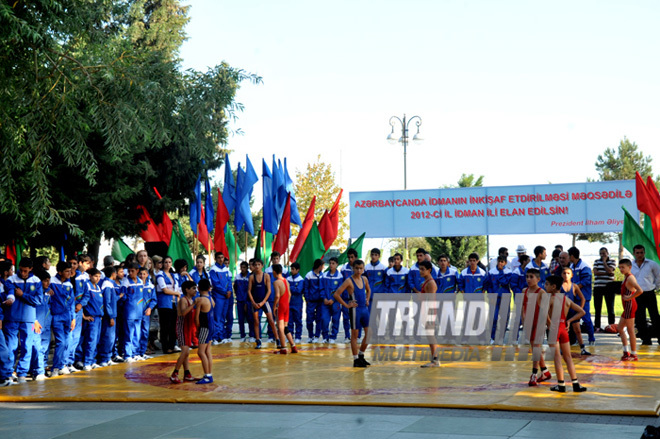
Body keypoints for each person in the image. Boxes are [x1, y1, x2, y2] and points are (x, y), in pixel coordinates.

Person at [544, 275, 587, 392]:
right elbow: (582, 312)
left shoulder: (550, 299)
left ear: (553, 287)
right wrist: (569, 320)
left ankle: (561, 385)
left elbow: (544, 314)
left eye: (546, 284)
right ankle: (575, 384)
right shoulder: (566, 300)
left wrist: (550, 324)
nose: (544, 286)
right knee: (568, 357)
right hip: (563, 328)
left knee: (557, 358)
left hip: (554, 330)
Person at [3, 257, 42, 383]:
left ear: (31, 269)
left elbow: (38, 300)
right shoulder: (11, 280)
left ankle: (22, 374)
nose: (23, 273)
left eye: (26, 271)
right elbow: (8, 293)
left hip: (29, 319)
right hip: (12, 318)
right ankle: (8, 373)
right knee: (11, 346)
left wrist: (23, 295)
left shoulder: (36, 281)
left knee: (27, 346)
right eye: (21, 270)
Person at [333, 259, 371, 367]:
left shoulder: (364, 279)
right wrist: (346, 305)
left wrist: (367, 299)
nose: (359, 271)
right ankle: (355, 359)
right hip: (355, 310)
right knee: (354, 335)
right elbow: (336, 294)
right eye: (357, 268)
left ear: (363, 269)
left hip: (364, 309)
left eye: (361, 268)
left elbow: (369, 290)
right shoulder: (349, 281)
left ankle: (361, 355)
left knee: (369, 334)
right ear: (353, 269)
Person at [523, 268, 551, 386]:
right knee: (535, 348)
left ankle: (534, 374)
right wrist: (524, 322)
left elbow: (545, 311)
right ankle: (545, 371)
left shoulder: (541, 292)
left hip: (539, 323)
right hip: (529, 323)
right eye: (527, 276)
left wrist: (550, 325)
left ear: (538, 279)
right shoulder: (524, 290)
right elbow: (522, 309)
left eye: (531, 277)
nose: (528, 279)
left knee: (536, 348)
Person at [49, 262, 75, 376]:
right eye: (67, 271)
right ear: (59, 272)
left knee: (68, 341)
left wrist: (73, 318)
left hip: (67, 316)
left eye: (70, 271)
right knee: (61, 341)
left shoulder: (69, 284)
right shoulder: (51, 282)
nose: (69, 273)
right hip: (57, 316)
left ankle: (63, 364)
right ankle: (55, 367)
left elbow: (72, 302)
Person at [630, 244, 660, 345]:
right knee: (639, 317)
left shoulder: (652, 264)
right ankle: (645, 339)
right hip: (637, 294)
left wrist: (656, 287)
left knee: (655, 316)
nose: (639, 255)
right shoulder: (630, 265)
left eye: (641, 252)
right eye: (637, 253)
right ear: (634, 253)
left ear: (644, 253)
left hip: (649, 293)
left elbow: (658, 276)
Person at [247, 258, 279, 349]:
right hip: (255, 302)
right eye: (255, 265)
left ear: (262, 266)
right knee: (256, 321)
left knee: (271, 321)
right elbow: (249, 291)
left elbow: (269, 290)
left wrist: (263, 302)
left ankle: (277, 339)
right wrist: (253, 302)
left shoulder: (266, 276)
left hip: (264, 302)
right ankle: (258, 340)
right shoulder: (252, 277)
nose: (257, 266)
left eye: (258, 265)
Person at [170, 280, 197, 384]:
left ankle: (187, 374)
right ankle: (174, 374)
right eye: (193, 288)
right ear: (187, 290)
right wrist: (193, 304)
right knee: (185, 351)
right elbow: (182, 313)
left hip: (189, 328)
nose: (195, 290)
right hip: (182, 328)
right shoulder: (183, 300)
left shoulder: (191, 299)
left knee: (186, 352)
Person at [568, 247, 595, 345]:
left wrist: (574, 288)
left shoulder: (584, 266)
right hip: (574, 297)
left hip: (583, 298)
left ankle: (591, 339)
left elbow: (586, 281)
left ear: (572, 256)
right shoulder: (571, 266)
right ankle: (575, 340)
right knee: (575, 319)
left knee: (586, 318)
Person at [618, 258, 644, 361]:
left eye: (623, 267)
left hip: (630, 306)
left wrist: (629, 297)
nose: (621, 269)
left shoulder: (630, 278)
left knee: (630, 330)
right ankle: (626, 352)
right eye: (619, 267)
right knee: (620, 328)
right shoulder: (626, 277)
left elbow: (640, 290)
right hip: (627, 306)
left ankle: (634, 355)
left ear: (629, 267)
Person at [561, 267, 590, 356]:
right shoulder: (559, 286)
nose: (566, 275)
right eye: (564, 273)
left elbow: (583, 299)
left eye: (568, 273)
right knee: (562, 331)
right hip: (563, 312)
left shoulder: (574, 286)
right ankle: (562, 349)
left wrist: (579, 310)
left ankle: (583, 349)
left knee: (577, 330)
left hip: (572, 312)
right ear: (561, 275)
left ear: (572, 275)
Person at [156, 256, 180, 354]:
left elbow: (177, 288)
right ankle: (166, 347)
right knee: (165, 325)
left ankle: (172, 345)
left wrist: (177, 295)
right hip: (164, 303)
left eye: (169, 262)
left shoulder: (173, 275)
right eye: (165, 262)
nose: (167, 264)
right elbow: (164, 289)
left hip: (173, 302)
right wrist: (176, 293)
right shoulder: (160, 274)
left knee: (173, 325)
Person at [272, 264, 298, 354]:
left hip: (281, 306)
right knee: (286, 327)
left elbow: (277, 295)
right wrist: (286, 303)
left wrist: (275, 306)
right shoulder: (286, 280)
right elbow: (289, 294)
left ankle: (283, 348)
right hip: (287, 305)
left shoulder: (276, 282)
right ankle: (293, 346)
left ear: (274, 272)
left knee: (280, 328)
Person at [418, 261, 440, 367]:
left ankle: (435, 360)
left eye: (423, 269)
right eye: (420, 269)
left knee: (431, 335)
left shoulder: (431, 283)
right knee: (430, 335)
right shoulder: (426, 282)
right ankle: (434, 359)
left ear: (429, 270)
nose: (420, 271)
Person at [121, 263, 144, 362]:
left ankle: (135, 353)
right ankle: (127, 355)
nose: (130, 273)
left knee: (137, 334)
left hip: (138, 312)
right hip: (129, 312)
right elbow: (122, 296)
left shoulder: (140, 281)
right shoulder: (126, 281)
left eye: (132, 271)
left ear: (137, 271)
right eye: (129, 271)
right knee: (129, 334)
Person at [486, 255, 512, 343]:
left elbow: (505, 282)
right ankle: (492, 337)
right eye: (499, 261)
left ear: (505, 263)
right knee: (494, 317)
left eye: (502, 262)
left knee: (504, 318)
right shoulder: (491, 272)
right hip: (494, 298)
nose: (500, 263)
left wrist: (501, 272)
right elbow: (488, 285)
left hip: (505, 297)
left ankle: (501, 337)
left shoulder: (508, 272)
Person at [209, 252, 233, 345]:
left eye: (222, 257)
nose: (221, 259)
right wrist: (225, 292)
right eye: (218, 257)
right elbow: (215, 284)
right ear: (215, 258)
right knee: (217, 317)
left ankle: (221, 336)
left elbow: (229, 281)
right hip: (218, 296)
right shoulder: (213, 270)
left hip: (226, 296)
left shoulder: (226, 269)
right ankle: (215, 337)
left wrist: (230, 291)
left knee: (223, 317)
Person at [98, 266, 119, 367]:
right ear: (113, 274)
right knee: (107, 337)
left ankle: (107, 357)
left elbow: (112, 299)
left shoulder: (110, 284)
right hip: (109, 316)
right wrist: (110, 316)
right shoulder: (107, 284)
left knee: (111, 338)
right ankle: (104, 358)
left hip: (112, 314)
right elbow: (107, 302)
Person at [194, 278, 215, 383]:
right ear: (209, 288)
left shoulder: (200, 300)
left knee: (201, 351)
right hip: (211, 327)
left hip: (204, 327)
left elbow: (196, 318)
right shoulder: (211, 299)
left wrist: (197, 330)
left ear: (198, 288)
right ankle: (209, 374)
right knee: (207, 351)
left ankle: (207, 375)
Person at [265, 252, 288, 343]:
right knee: (271, 318)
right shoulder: (267, 271)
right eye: (274, 259)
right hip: (270, 297)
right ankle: (271, 336)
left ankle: (282, 335)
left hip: (281, 298)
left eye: (277, 258)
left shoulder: (285, 271)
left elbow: (286, 284)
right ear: (271, 259)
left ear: (279, 259)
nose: (275, 260)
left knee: (282, 318)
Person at [593, 247, 617, 330]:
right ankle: (597, 327)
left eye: (604, 253)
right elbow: (595, 272)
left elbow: (610, 270)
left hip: (609, 287)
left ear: (607, 253)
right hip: (598, 287)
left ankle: (612, 326)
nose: (602, 255)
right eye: (601, 253)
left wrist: (604, 262)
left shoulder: (612, 261)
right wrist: (607, 273)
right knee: (597, 308)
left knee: (610, 307)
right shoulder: (596, 261)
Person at [321, 257, 343, 343]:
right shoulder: (324, 275)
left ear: (337, 264)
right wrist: (324, 298)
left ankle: (333, 337)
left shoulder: (340, 276)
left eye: (333, 263)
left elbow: (340, 290)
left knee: (335, 319)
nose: (331, 265)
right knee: (324, 319)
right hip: (325, 302)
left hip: (335, 302)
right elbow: (321, 288)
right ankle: (325, 337)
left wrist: (333, 299)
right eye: (330, 263)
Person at [137, 267, 156, 359]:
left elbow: (154, 300)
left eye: (144, 274)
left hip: (145, 313)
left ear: (147, 275)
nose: (142, 276)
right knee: (136, 332)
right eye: (140, 274)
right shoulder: (136, 285)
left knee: (145, 332)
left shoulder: (151, 286)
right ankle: (135, 352)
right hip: (136, 313)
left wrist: (150, 309)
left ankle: (142, 351)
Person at [339, 249, 358, 342]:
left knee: (357, 317)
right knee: (346, 318)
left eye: (352, 257)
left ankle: (357, 337)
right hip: (346, 297)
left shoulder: (359, 267)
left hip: (357, 297)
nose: (350, 259)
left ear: (356, 257)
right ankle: (347, 336)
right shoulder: (343, 268)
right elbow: (341, 283)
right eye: (349, 257)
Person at [303, 259, 324, 343]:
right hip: (311, 301)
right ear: (319, 266)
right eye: (322, 266)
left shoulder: (323, 275)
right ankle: (310, 336)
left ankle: (317, 336)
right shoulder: (309, 275)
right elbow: (306, 288)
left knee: (319, 319)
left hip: (320, 301)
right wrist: (307, 299)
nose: (323, 267)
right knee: (309, 319)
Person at [234, 261, 254, 342]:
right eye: (241, 267)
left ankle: (251, 335)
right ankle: (242, 335)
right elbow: (235, 287)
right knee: (241, 319)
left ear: (247, 268)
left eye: (244, 267)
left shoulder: (251, 276)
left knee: (250, 319)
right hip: (240, 301)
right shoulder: (237, 277)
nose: (242, 269)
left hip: (248, 301)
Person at [286, 262, 304, 344]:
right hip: (289, 303)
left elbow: (298, 290)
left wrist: (290, 287)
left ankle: (298, 336)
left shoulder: (301, 280)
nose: (291, 270)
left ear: (298, 270)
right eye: (291, 269)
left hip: (297, 303)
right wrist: (293, 288)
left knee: (298, 321)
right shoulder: (288, 279)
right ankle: (290, 336)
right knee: (289, 321)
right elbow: (286, 289)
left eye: (293, 269)